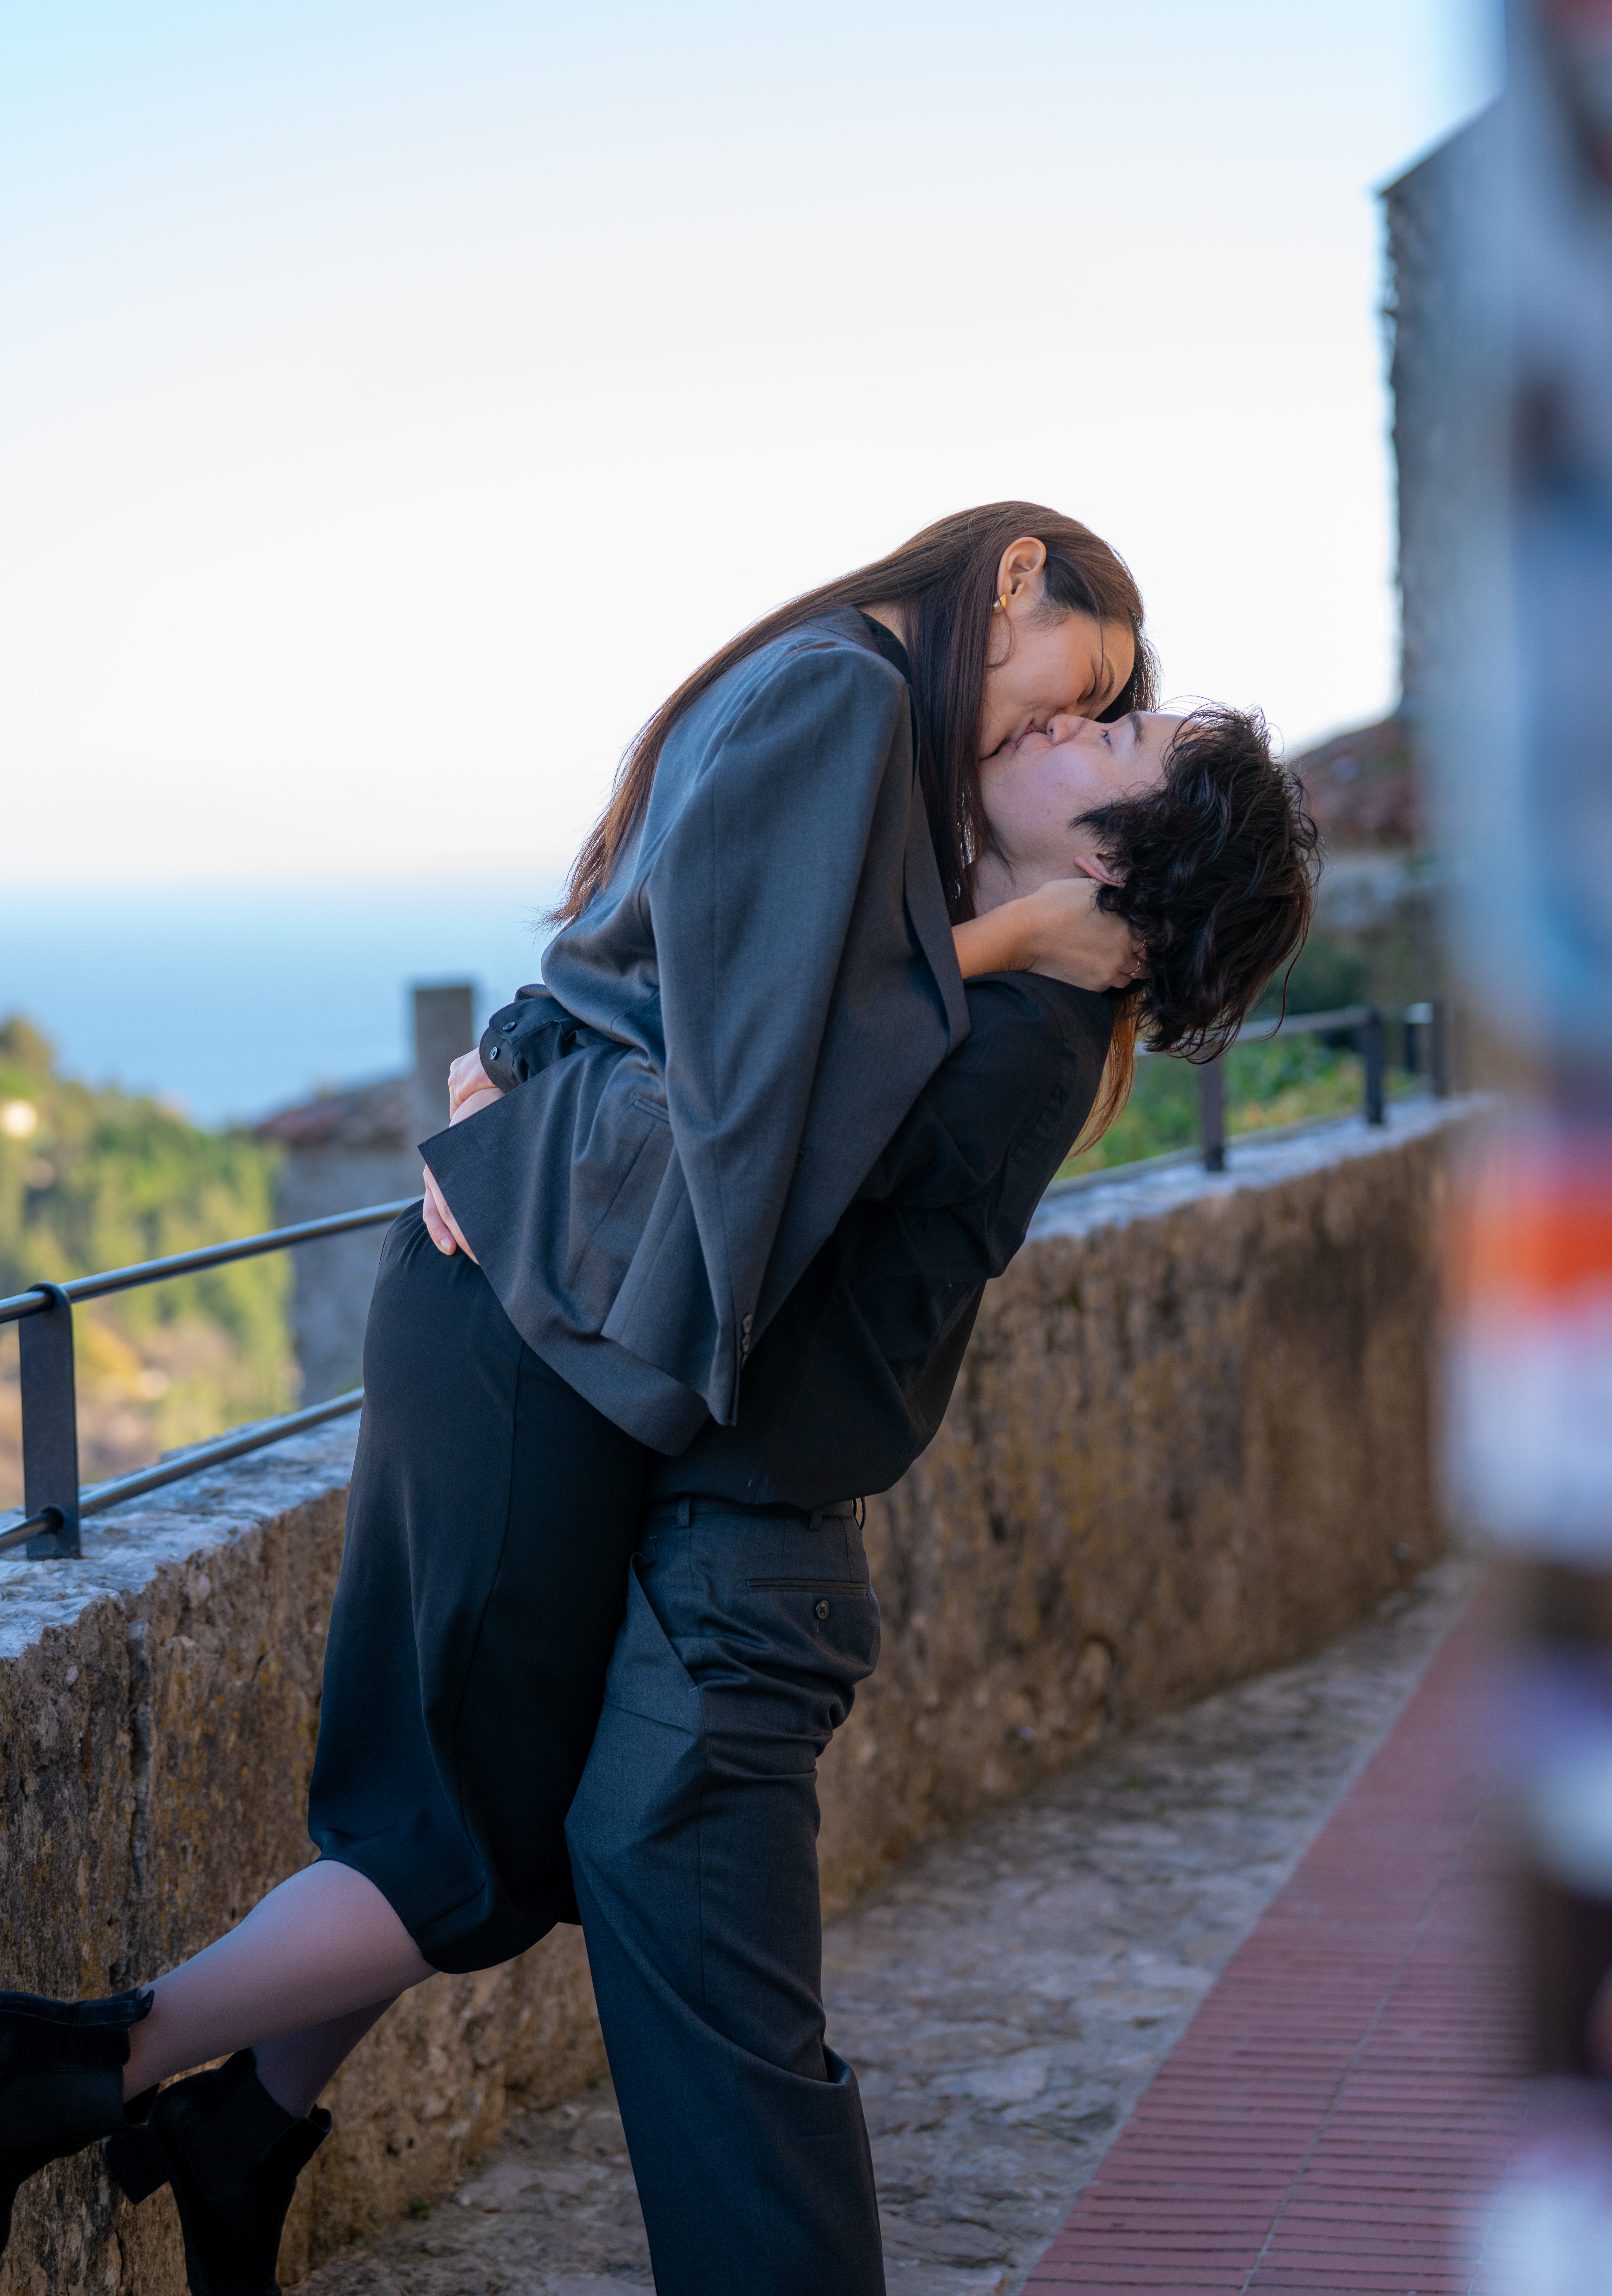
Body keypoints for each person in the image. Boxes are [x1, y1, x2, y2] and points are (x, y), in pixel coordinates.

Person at [0, 506, 1312, 2296]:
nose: (1067, 721)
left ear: (1116, 872)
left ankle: (208, 2103)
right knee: (467, 1841)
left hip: (572, 1342)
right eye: (1086, 693)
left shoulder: (979, 952)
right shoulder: (864, 729)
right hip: (530, 1313)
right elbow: (727, 1046)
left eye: (1111, 729)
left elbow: (750, 1077)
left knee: (480, 1829)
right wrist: (526, 1080)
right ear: (1012, 579)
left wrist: (523, 1074)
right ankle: (100, 2069)